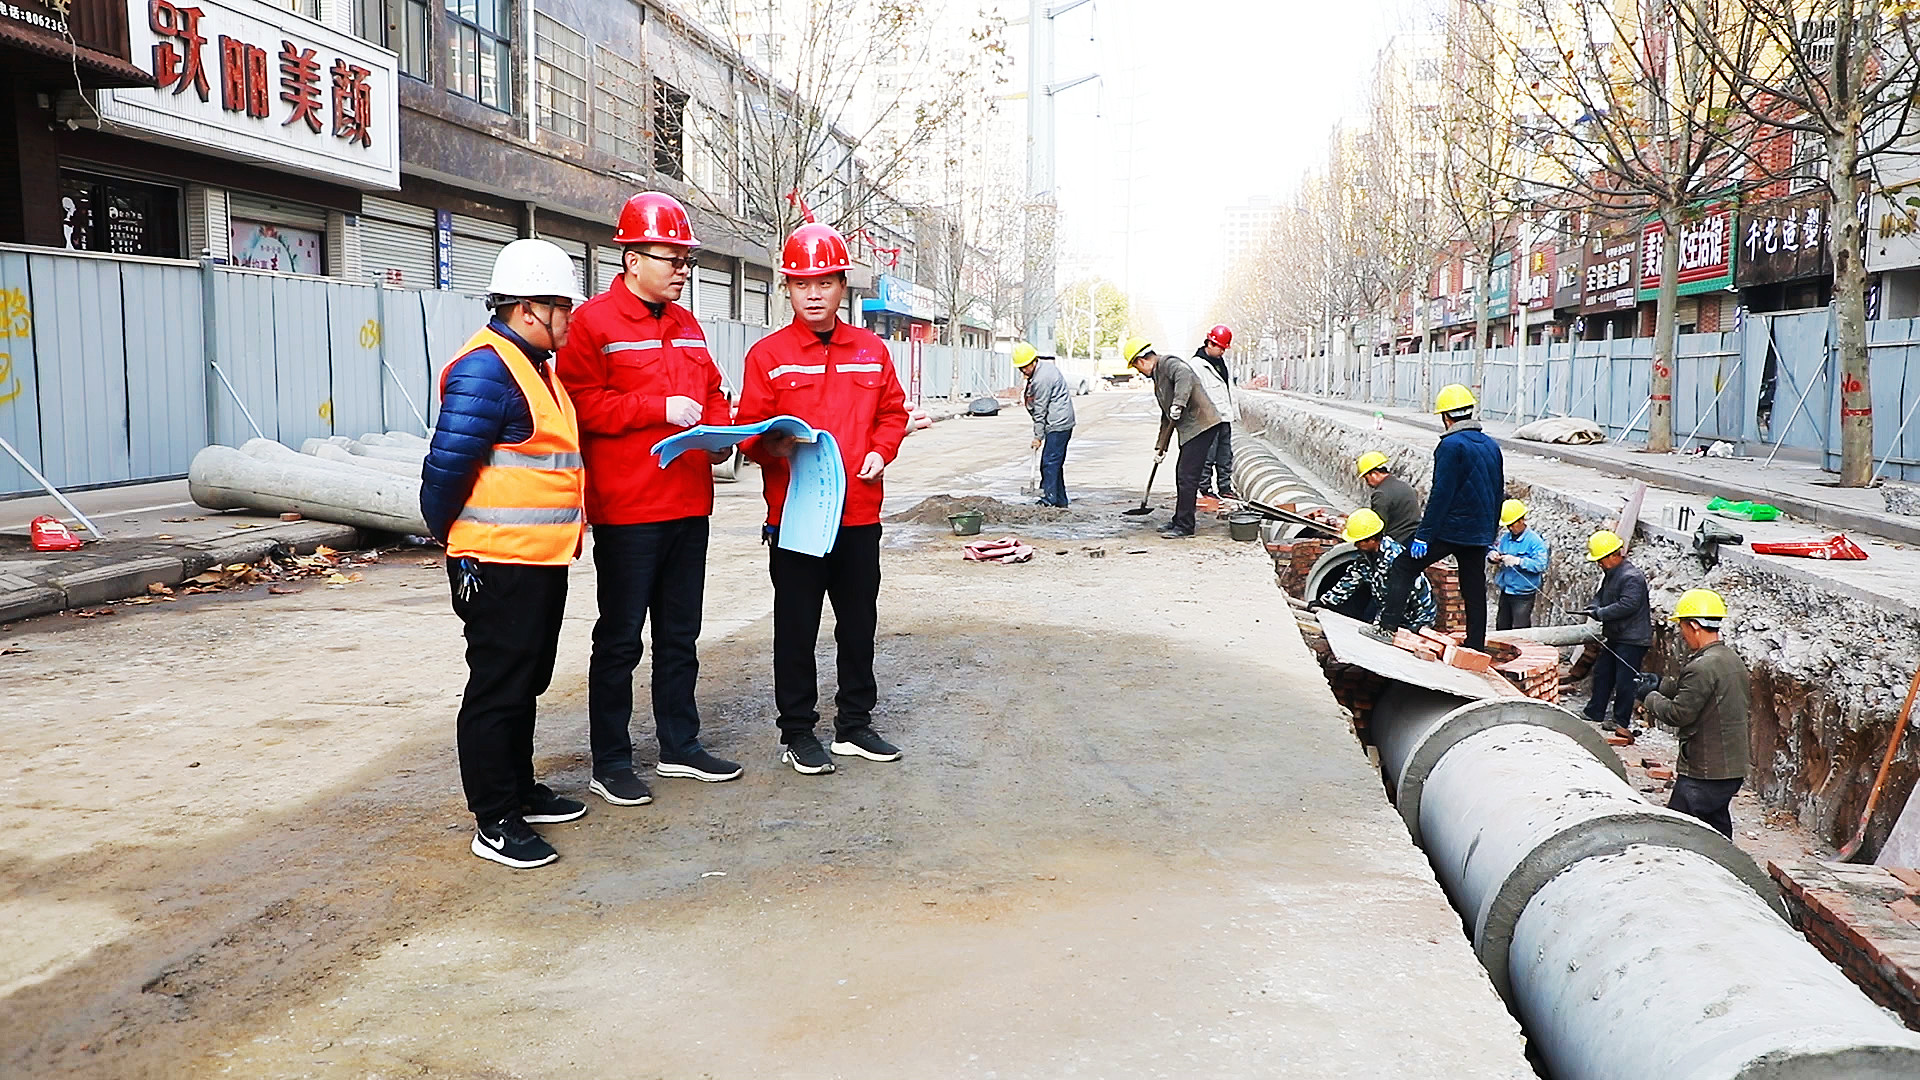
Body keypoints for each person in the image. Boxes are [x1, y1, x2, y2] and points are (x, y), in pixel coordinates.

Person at [555, 191, 740, 809]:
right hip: (630, 508)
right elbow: (578, 403)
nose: (682, 269)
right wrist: (653, 409)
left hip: (689, 501)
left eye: (685, 259)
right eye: (671, 257)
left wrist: (721, 435)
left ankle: (680, 745)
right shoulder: (592, 323)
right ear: (632, 257)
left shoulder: (685, 323)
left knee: (681, 634)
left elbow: (713, 389)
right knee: (621, 638)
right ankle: (610, 760)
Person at [419, 238, 588, 870]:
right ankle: (493, 819)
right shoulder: (487, 369)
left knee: (526, 680)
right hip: (496, 562)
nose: (570, 319)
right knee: (498, 686)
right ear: (528, 309)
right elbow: (445, 470)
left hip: (538, 560)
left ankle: (519, 790)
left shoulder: (534, 365)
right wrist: (457, 542)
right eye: (562, 307)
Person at [738, 223, 911, 775]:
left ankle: (855, 725)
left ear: (843, 287)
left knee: (858, 622)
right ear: (786, 289)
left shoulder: (871, 351)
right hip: (796, 518)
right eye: (801, 284)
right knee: (796, 626)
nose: (813, 294)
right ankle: (797, 731)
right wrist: (772, 444)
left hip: (858, 512)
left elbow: (892, 413)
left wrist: (882, 452)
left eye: (824, 282)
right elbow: (747, 431)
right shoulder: (768, 356)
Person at [1374, 384, 1504, 651]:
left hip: (1451, 529)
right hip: (1478, 533)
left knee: (1403, 566)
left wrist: (1423, 535)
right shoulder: (1492, 446)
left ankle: (1388, 628)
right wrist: (1490, 535)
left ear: (1446, 417)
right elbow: (1497, 492)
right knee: (1473, 588)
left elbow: (1441, 494)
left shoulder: (1450, 445)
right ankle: (1476, 645)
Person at [1638, 589, 1749, 838]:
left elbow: (1679, 714)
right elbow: (1699, 692)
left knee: (1677, 831)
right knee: (1715, 827)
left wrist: (1649, 697)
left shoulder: (1702, 666)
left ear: (1695, 626)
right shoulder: (1729, 659)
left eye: (1683, 628)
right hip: (1729, 768)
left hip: (1706, 770)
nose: (1682, 634)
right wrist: (1660, 683)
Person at [1125, 337, 1227, 538]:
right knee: (1183, 475)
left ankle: (1185, 526)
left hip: (1202, 425)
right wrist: (1160, 447)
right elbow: (1167, 417)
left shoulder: (1168, 363)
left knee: (1187, 476)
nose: (1139, 372)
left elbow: (1185, 375)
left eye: (1137, 368)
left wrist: (1178, 404)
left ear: (1142, 361)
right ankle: (1180, 519)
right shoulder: (1158, 378)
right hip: (1191, 430)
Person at [1313, 508, 1437, 631]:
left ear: (1372, 539)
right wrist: (1325, 601)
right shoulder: (1367, 556)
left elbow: (1398, 598)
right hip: (1389, 608)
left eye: (1359, 542)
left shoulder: (1394, 559)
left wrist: (1382, 624)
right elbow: (1351, 579)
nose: (1356, 545)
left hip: (1415, 616)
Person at [1580, 529, 1652, 736]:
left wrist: (1601, 613)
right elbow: (1600, 596)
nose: (1599, 563)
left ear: (1614, 555)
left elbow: (1628, 605)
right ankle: (1595, 711)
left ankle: (1621, 721)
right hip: (1617, 635)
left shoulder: (1632, 577)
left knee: (1625, 680)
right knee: (1603, 673)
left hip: (1633, 639)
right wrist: (1593, 607)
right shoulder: (1611, 575)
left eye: (1601, 559)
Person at [1016, 341, 1075, 507]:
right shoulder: (1041, 371)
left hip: (1058, 424)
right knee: (1055, 463)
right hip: (1059, 421)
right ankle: (1060, 500)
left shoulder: (1042, 377)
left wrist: (1038, 436)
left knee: (1049, 463)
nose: (1023, 371)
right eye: (1021, 368)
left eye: (1025, 367)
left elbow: (1040, 409)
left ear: (1034, 361)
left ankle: (1048, 499)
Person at [1490, 498, 1550, 630]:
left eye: (1512, 524)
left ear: (1521, 520)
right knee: (1502, 626)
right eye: (1508, 525)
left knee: (1520, 629)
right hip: (1506, 590)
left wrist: (1518, 561)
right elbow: (1495, 548)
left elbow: (1541, 565)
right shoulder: (1506, 538)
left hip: (1523, 594)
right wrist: (1492, 556)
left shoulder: (1534, 541)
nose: (1510, 528)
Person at [1196, 324, 1237, 498]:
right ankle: (1205, 489)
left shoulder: (1220, 363)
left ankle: (1225, 488)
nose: (1222, 352)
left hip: (1224, 417)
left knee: (1225, 455)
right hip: (1209, 420)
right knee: (1208, 456)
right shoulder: (1197, 366)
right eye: (1220, 348)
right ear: (1210, 344)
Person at [1355, 451, 1421, 545]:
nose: (1367, 483)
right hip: (1413, 536)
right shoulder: (1405, 486)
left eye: (1366, 478)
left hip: (1397, 540)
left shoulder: (1381, 494)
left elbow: (1377, 526)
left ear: (1374, 474)